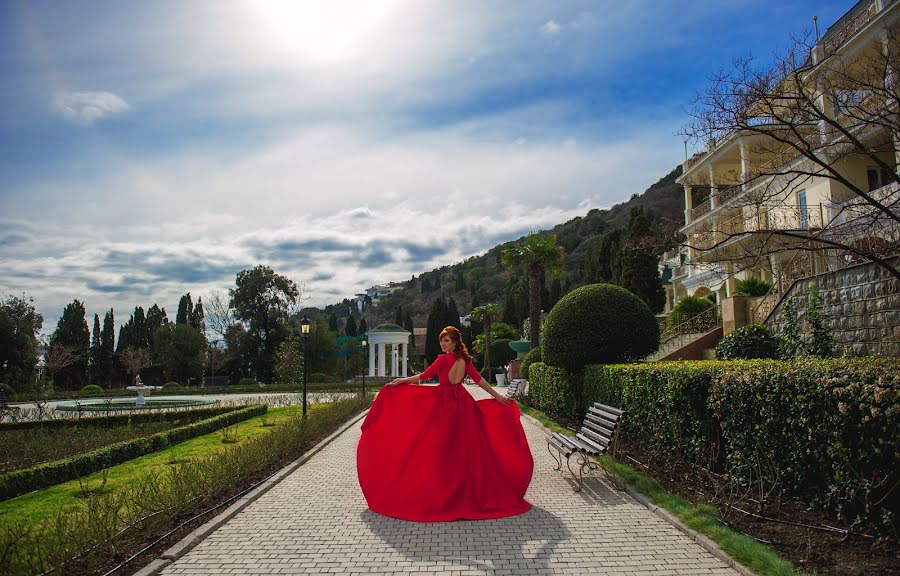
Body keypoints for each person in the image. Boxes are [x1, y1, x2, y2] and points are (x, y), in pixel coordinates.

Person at [356, 326, 534, 522]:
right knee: (464, 451)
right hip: (463, 405)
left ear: (455, 342)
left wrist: (401, 381)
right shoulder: (464, 360)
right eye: (442, 341)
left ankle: (446, 494)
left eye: (446, 341)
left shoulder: (443, 360)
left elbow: (424, 377)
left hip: (444, 406)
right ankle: (459, 492)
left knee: (444, 450)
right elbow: (478, 380)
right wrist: (497, 396)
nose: (443, 344)